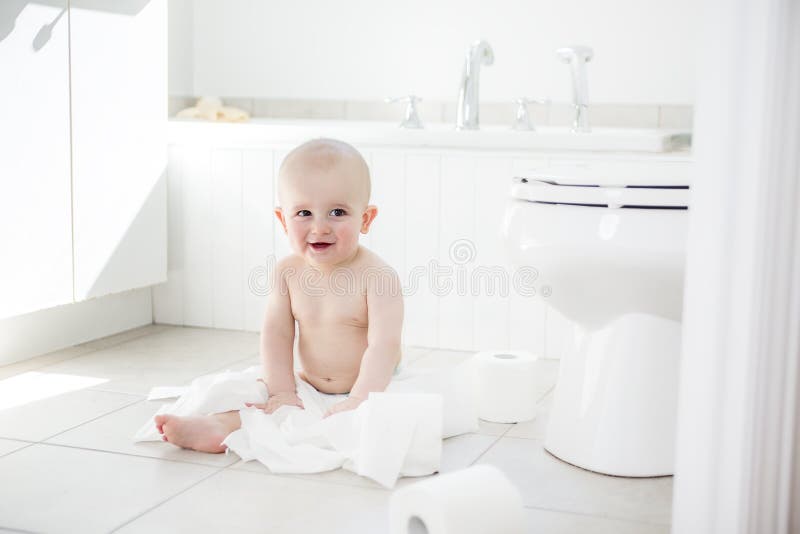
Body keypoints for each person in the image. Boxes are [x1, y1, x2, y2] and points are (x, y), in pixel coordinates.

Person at [154, 138, 403, 453]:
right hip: (308, 383)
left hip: (372, 385)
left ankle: (350, 410)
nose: (319, 227)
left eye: (337, 212)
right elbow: (276, 335)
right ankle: (219, 426)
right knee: (256, 397)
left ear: (365, 219)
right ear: (283, 220)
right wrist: (283, 392)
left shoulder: (378, 277)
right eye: (303, 213)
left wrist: (359, 399)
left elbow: (384, 346)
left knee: (381, 422)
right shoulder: (287, 273)